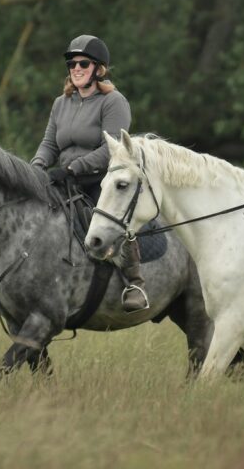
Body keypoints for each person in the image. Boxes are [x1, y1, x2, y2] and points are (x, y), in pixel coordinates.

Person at [31, 35, 149, 313]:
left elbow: (112, 149)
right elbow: (49, 143)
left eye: (83, 63)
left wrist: (74, 168)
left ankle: (134, 282)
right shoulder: (61, 103)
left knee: (112, 220)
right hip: (63, 178)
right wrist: (35, 168)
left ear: (99, 69)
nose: (76, 68)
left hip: (101, 180)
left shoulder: (113, 102)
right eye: (72, 63)